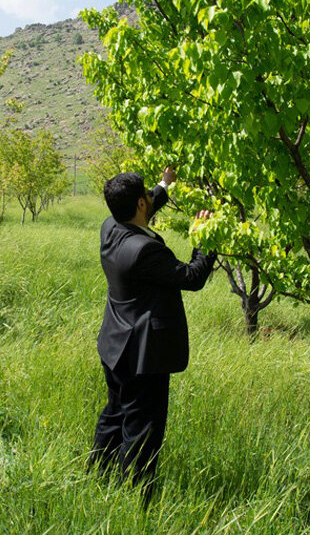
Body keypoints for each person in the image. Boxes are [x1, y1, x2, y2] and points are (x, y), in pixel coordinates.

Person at [88, 166, 216, 507]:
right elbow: (192, 277)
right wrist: (206, 238)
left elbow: (140, 210)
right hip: (142, 355)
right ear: (140, 205)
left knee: (115, 414)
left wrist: (163, 185)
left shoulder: (110, 229)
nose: (149, 199)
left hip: (114, 345)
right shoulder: (144, 250)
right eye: (147, 195)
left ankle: (96, 477)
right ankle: (136, 498)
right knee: (143, 430)